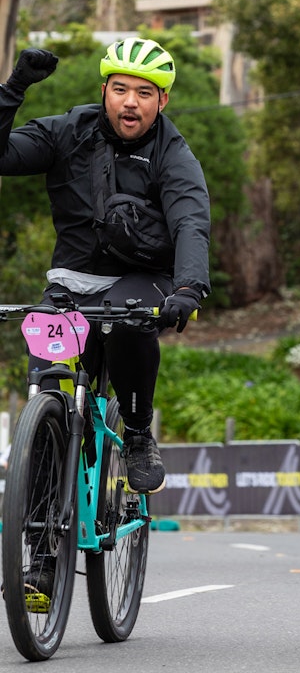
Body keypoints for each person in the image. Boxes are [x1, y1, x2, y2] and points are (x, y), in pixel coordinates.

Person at [0, 40, 211, 501]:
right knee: (47, 389)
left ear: (162, 100)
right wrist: (14, 88)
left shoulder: (173, 155)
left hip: (143, 279)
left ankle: (136, 431)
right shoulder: (67, 131)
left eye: (144, 92)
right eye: (120, 89)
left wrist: (190, 286)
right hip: (70, 283)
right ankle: (40, 552)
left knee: (128, 317)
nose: (130, 102)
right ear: (104, 90)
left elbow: (191, 222)